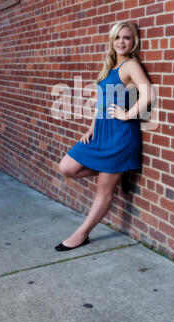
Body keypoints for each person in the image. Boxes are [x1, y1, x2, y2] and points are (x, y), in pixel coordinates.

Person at [55, 21, 155, 251]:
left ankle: (81, 234)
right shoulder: (108, 69)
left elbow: (148, 92)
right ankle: (113, 170)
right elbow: (102, 102)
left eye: (127, 37)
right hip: (100, 132)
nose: (122, 41)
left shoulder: (130, 65)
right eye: (118, 37)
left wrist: (127, 114)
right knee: (67, 167)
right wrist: (92, 127)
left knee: (104, 189)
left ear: (134, 42)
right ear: (111, 41)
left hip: (120, 135)